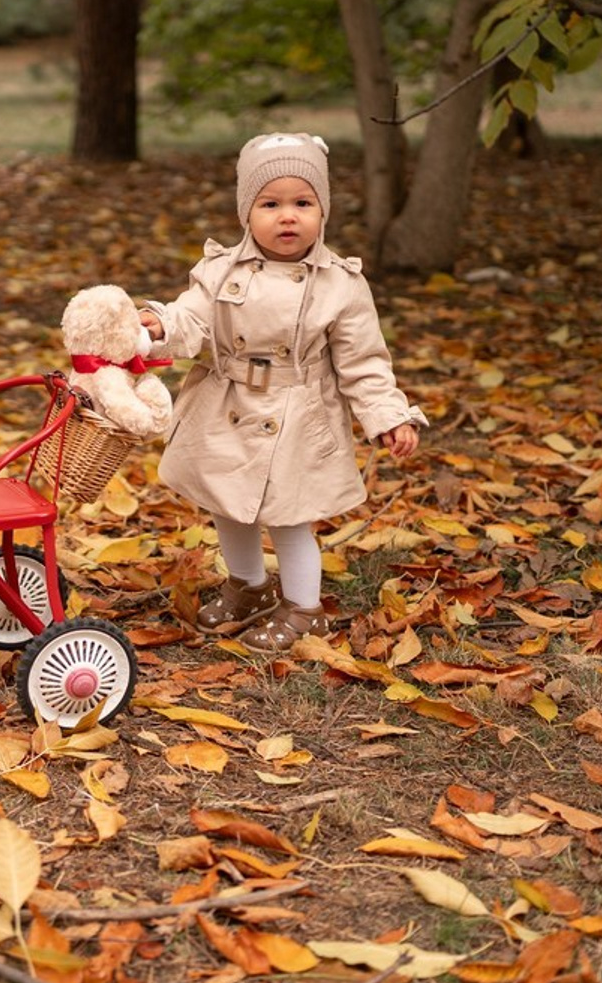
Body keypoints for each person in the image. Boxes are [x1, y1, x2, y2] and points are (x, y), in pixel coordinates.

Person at [138, 132, 426, 652]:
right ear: (247, 212)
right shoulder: (219, 270)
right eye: (270, 204)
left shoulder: (340, 284)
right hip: (228, 404)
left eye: (303, 203)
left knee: (291, 516)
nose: (287, 216)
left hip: (297, 411)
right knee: (228, 503)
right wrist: (160, 325)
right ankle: (249, 586)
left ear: (324, 210)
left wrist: (387, 416)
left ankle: (304, 608)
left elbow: (364, 361)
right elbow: (192, 319)